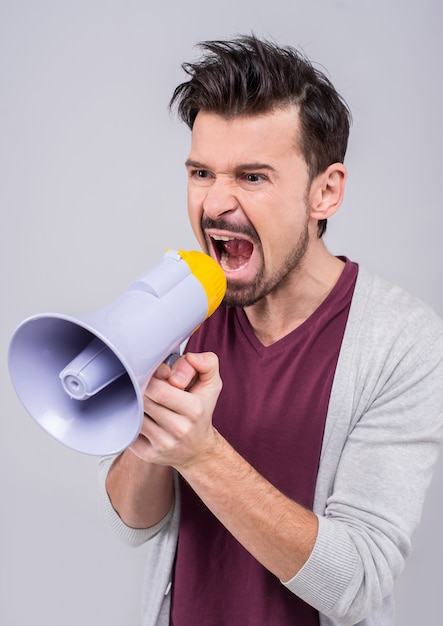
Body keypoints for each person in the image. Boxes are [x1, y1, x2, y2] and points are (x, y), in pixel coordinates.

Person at [98, 35, 443, 626]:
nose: (216, 203)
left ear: (325, 192)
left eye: (252, 177)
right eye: (202, 172)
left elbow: (357, 583)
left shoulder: (402, 341)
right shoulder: (182, 308)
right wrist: (149, 429)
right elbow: (136, 522)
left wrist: (201, 454)